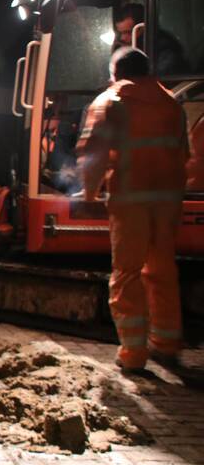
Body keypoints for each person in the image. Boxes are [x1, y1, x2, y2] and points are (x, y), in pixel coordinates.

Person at [77, 47, 190, 372]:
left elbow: (94, 153)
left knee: (127, 274)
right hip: (167, 201)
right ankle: (166, 345)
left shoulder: (111, 102)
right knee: (162, 270)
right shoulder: (172, 103)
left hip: (130, 200)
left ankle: (133, 354)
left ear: (116, 72)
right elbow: (183, 153)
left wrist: (88, 196)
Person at [112, 3, 189, 76]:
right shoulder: (128, 49)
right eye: (120, 33)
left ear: (142, 28)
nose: (122, 38)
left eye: (128, 32)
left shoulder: (164, 50)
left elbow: (155, 79)